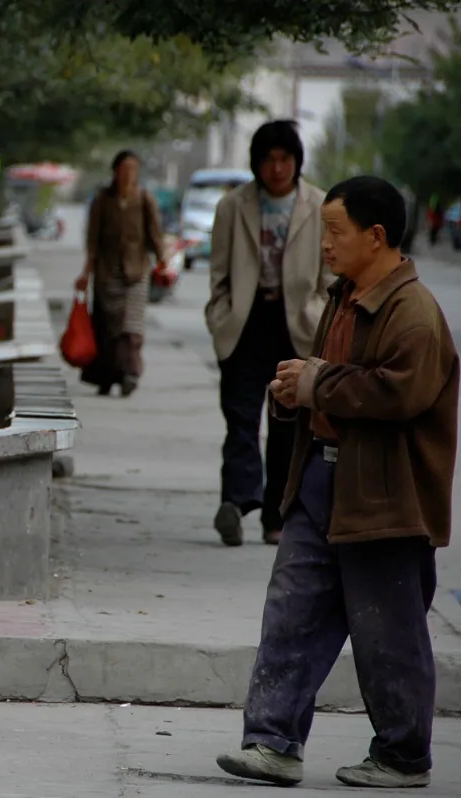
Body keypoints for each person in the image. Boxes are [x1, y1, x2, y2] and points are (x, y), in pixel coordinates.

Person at [216, 175, 458, 790]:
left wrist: (317, 382)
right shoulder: (344, 297)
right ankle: (271, 743)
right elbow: (333, 381)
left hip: (384, 499)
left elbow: (397, 392)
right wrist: (296, 392)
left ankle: (404, 756)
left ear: (375, 237)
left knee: (388, 633)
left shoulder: (414, 313)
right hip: (320, 484)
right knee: (291, 614)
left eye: (335, 232)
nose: (324, 244)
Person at [205, 120, 332, 547]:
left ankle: (277, 515)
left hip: (296, 324)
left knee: (288, 424)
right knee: (240, 419)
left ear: (296, 162)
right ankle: (237, 504)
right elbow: (218, 274)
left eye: (285, 159)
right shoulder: (233, 206)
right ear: (256, 164)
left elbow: (329, 272)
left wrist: (317, 313)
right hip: (245, 321)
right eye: (268, 160)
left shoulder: (319, 205)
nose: (277, 168)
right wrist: (220, 315)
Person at [75, 150, 165, 397]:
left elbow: (155, 233)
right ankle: (106, 376)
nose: (129, 174)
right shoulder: (103, 199)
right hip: (107, 272)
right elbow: (92, 240)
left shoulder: (144, 198)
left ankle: (130, 372)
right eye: (124, 169)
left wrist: (162, 259)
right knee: (107, 327)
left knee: (132, 326)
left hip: (136, 271)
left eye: (133, 169)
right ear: (115, 171)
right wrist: (86, 272)